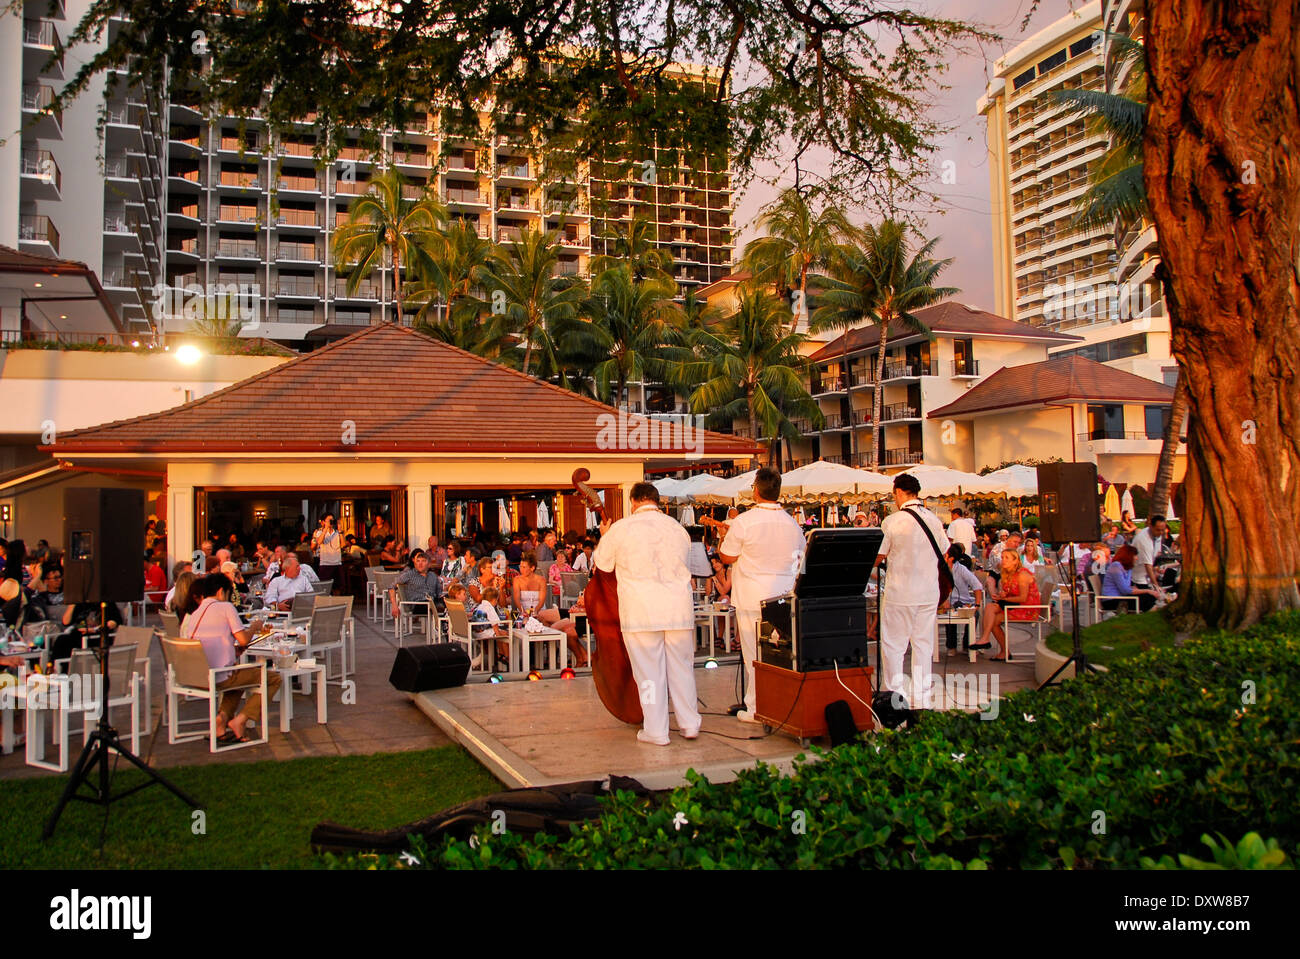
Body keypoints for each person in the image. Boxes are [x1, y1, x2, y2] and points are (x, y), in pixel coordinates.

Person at [593, 482, 700, 745]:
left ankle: (657, 730)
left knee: (649, 673)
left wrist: (605, 536)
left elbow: (602, 564)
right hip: (678, 609)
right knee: (682, 668)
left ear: (633, 501)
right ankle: (689, 724)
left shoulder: (621, 529)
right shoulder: (678, 529)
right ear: (656, 501)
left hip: (641, 611)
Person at [718, 467, 806, 723]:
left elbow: (727, 556)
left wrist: (725, 538)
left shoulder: (744, 521)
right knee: (779, 655)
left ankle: (756, 707)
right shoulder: (792, 524)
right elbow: (799, 560)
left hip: (752, 596)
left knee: (753, 656)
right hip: (783, 598)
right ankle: (780, 703)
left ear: (756, 491)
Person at [872, 474, 949, 708]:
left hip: (901, 592)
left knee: (894, 646)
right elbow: (944, 552)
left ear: (898, 492)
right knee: (923, 645)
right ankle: (922, 699)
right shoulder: (933, 519)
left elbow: (878, 557)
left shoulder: (893, 521)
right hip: (928, 592)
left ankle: (895, 698)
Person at [181, 572, 278, 745]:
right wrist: (255, 626)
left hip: (199, 674)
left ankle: (222, 720)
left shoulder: (197, 612)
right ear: (220, 592)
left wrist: (233, 652)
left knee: (240, 677)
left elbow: (212, 642)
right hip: (219, 675)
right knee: (274, 678)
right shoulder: (225, 607)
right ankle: (240, 720)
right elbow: (243, 639)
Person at [511, 553, 585, 667]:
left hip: (537, 608)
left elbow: (542, 599)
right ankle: (534, 659)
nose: (521, 569)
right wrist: (523, 611)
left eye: (524, 567)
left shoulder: (540, 579)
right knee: (527, 622)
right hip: (523, 609)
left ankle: (547, 653)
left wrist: (534, 612)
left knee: (542, 618)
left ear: (532, 568)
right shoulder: (517, 580)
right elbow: (516, 597)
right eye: (520, 566)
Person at [973, 549, 1040, 661]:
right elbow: (1012, 593)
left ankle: (992, 643)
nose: (1003, 560)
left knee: (993, 619)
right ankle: (989, 641)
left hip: (1027, 609)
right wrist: (1002, 596)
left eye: (1006, 558)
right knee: (990, 608)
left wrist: (1004, 598)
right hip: (1015, 605)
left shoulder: (1022, 574)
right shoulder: (1008, 574)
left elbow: (1023, 598)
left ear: (1015, 561)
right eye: (1002, 557)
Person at [941, 543, 985, 653]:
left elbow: (977, 586)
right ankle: (951, 646)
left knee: (975, 614)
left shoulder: (961, 569)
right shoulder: (939, 569)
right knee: (949, 612)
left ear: (950, 558)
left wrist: (977, 605)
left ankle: (967, 644)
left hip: (963, 602)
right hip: (946, 603)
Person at [389, 549, 445, 623]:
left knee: (450, 602)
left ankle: (447, 628)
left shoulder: (433, 576)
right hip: (417, 604)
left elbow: (439, 593)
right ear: (415, 563)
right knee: (437, 606)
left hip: (432, 602)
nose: (420, 563)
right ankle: (441, 625)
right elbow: (391, 587)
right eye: (418, 561)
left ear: (429, 564)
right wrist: (394, 605)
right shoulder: (409, 575)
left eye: (423, 561)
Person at [1101, 544, 1160, 613]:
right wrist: (1147, 590)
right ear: (1128, 556)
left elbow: (1127, 586)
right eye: (1135, 555)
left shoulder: (1127, 568)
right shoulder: (1116, 566)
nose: (1137, 558)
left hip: (1121, 598)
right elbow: (1125, 590)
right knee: (1146, 598)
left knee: (1149, 597)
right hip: (1112, 601)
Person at [1131, 516, 1169, 602]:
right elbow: (1148, 566)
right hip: (1137, 578)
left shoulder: (1156, 536)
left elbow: (1153, 558)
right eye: (1158, 530)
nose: (1160, 532)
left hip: (1145, 577)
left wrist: (1156, 569)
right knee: (1152, 600)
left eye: (1162, 530)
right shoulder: (1143, 540)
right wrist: (1157, 587)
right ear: (1151, 527)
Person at [470, 585, 511, 667]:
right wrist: (499, 635)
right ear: (494, 599)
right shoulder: (489, 608)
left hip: (475, 632)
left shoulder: (480, 606)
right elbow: (495, 623)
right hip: (484, 633)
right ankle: (506, 656)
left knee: (500, 632)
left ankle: (501, 654)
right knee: (505, 635)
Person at [313, 512, 343, 592]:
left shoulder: (336, 532)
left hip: (337, 563)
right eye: (329, 520)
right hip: (325, 563)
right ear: (323, 522)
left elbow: (343, 544)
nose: (331, 522)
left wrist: (340, 531)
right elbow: (319, 542)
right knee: (324, 588)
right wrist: (325, 529)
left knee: (337, 588)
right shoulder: (319, 532)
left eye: (332, 520)